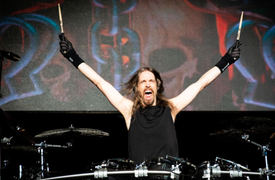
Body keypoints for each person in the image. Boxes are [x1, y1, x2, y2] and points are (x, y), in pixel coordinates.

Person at [58, 34, 241, 165]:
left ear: (157, 86)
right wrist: (72, 56)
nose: (147, 84)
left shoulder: (172, 107)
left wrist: (227, 60)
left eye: (150, 81)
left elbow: (200, 83)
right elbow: (99, 82)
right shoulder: (129, 110)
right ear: (137, 88)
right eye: (143, 82)